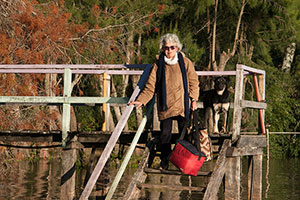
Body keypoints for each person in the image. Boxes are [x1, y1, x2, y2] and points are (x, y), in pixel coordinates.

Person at [129, 33, 199, 170]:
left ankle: (183, 164)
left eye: (172, 47)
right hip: (165, 105)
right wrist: (141, 101)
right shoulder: (158, 64)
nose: (169, 51)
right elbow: (150, 86)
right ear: (162, 49)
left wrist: (194, 99)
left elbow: (193, 82)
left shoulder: (185, 62)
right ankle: (164, 162)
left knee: (183, 134)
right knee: (165, 135)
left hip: (182, 104)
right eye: (166, 48)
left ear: (177, 48)